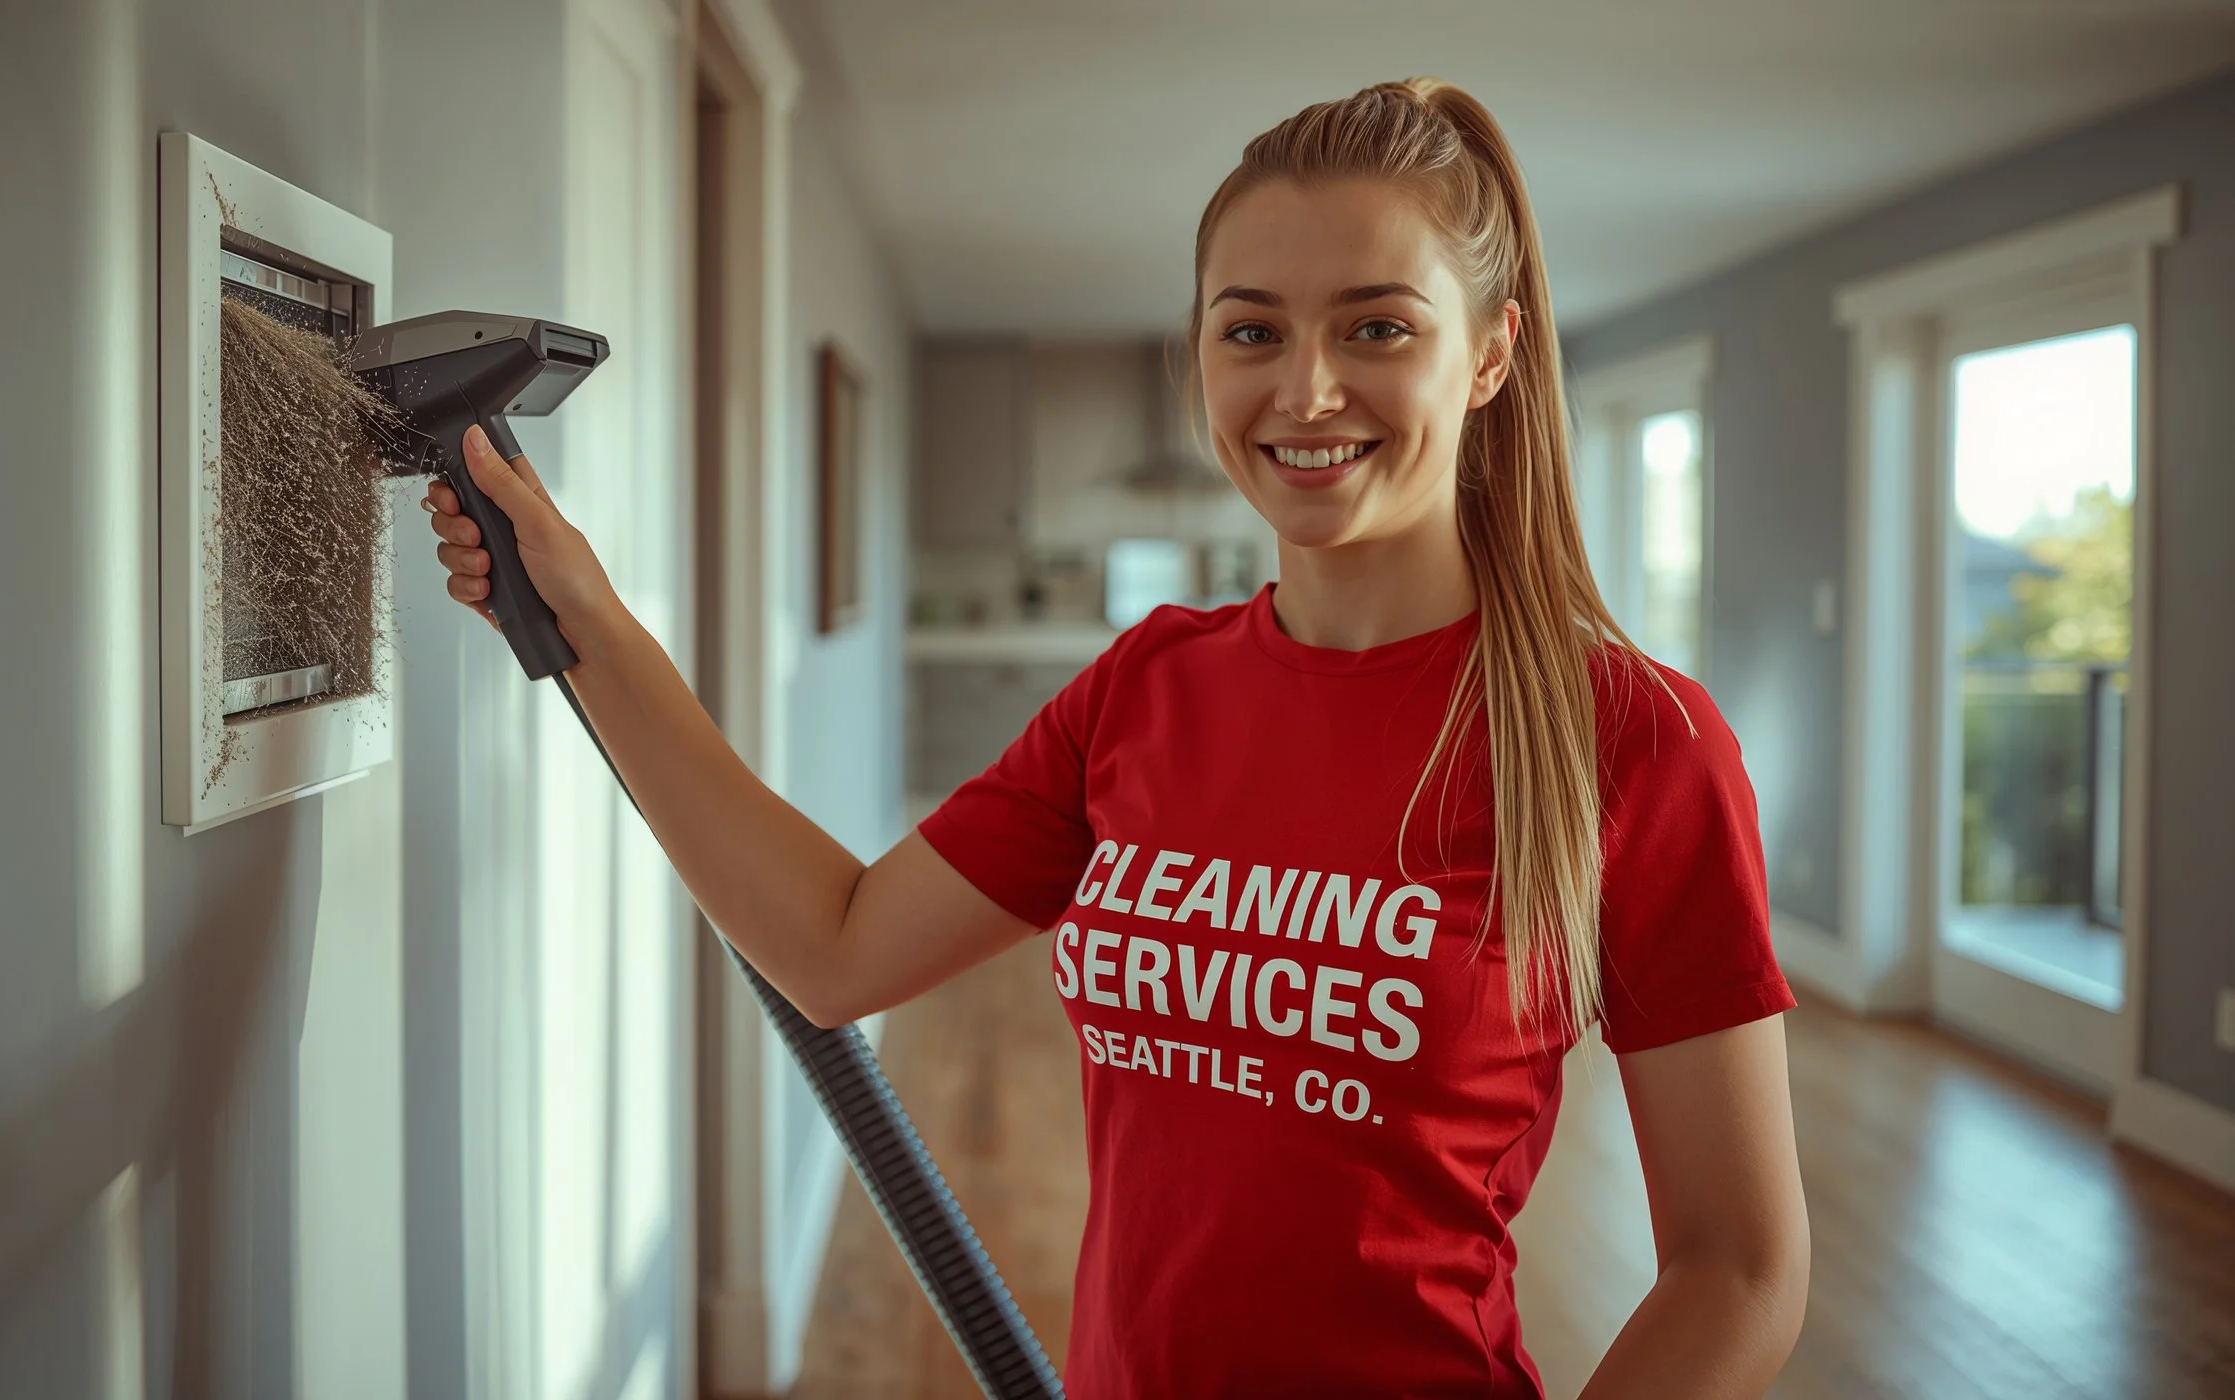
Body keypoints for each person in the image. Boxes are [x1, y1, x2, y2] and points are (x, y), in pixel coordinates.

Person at [422, 77, 1808, 1400]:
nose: (1306, 390)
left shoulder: (1631, 739)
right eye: (1252, 329)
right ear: (1199, 351)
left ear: (1494, 353)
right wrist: (589, 618)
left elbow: (1741, 1268)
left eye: (1379, 327)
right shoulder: (1148, 687)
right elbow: (834, 946)